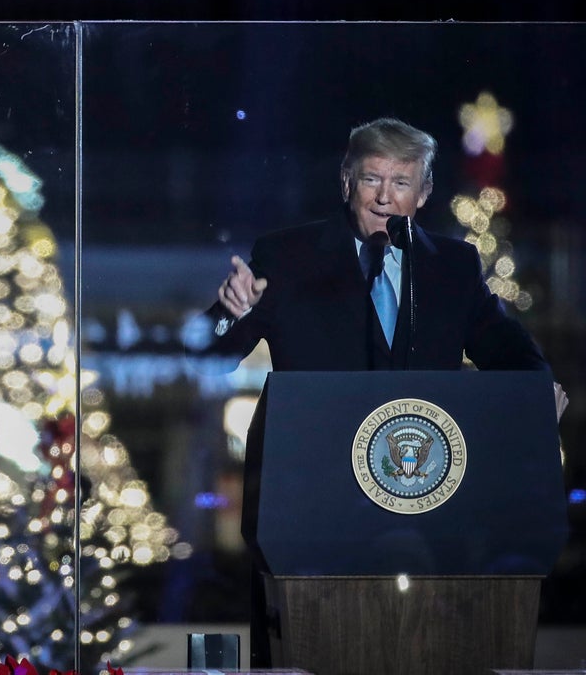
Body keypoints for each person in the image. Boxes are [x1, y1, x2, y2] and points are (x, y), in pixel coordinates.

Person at [192, 116, 568, 665]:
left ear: (424, 192)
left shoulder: (453, 268)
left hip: (428, 516)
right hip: (311, 513)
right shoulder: (288, 257)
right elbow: (207, 359)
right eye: (372, 179)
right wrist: (232, 313)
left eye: (401, 182)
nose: (385, 197)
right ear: (347, 181)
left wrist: (536, 398)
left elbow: (511, 352)